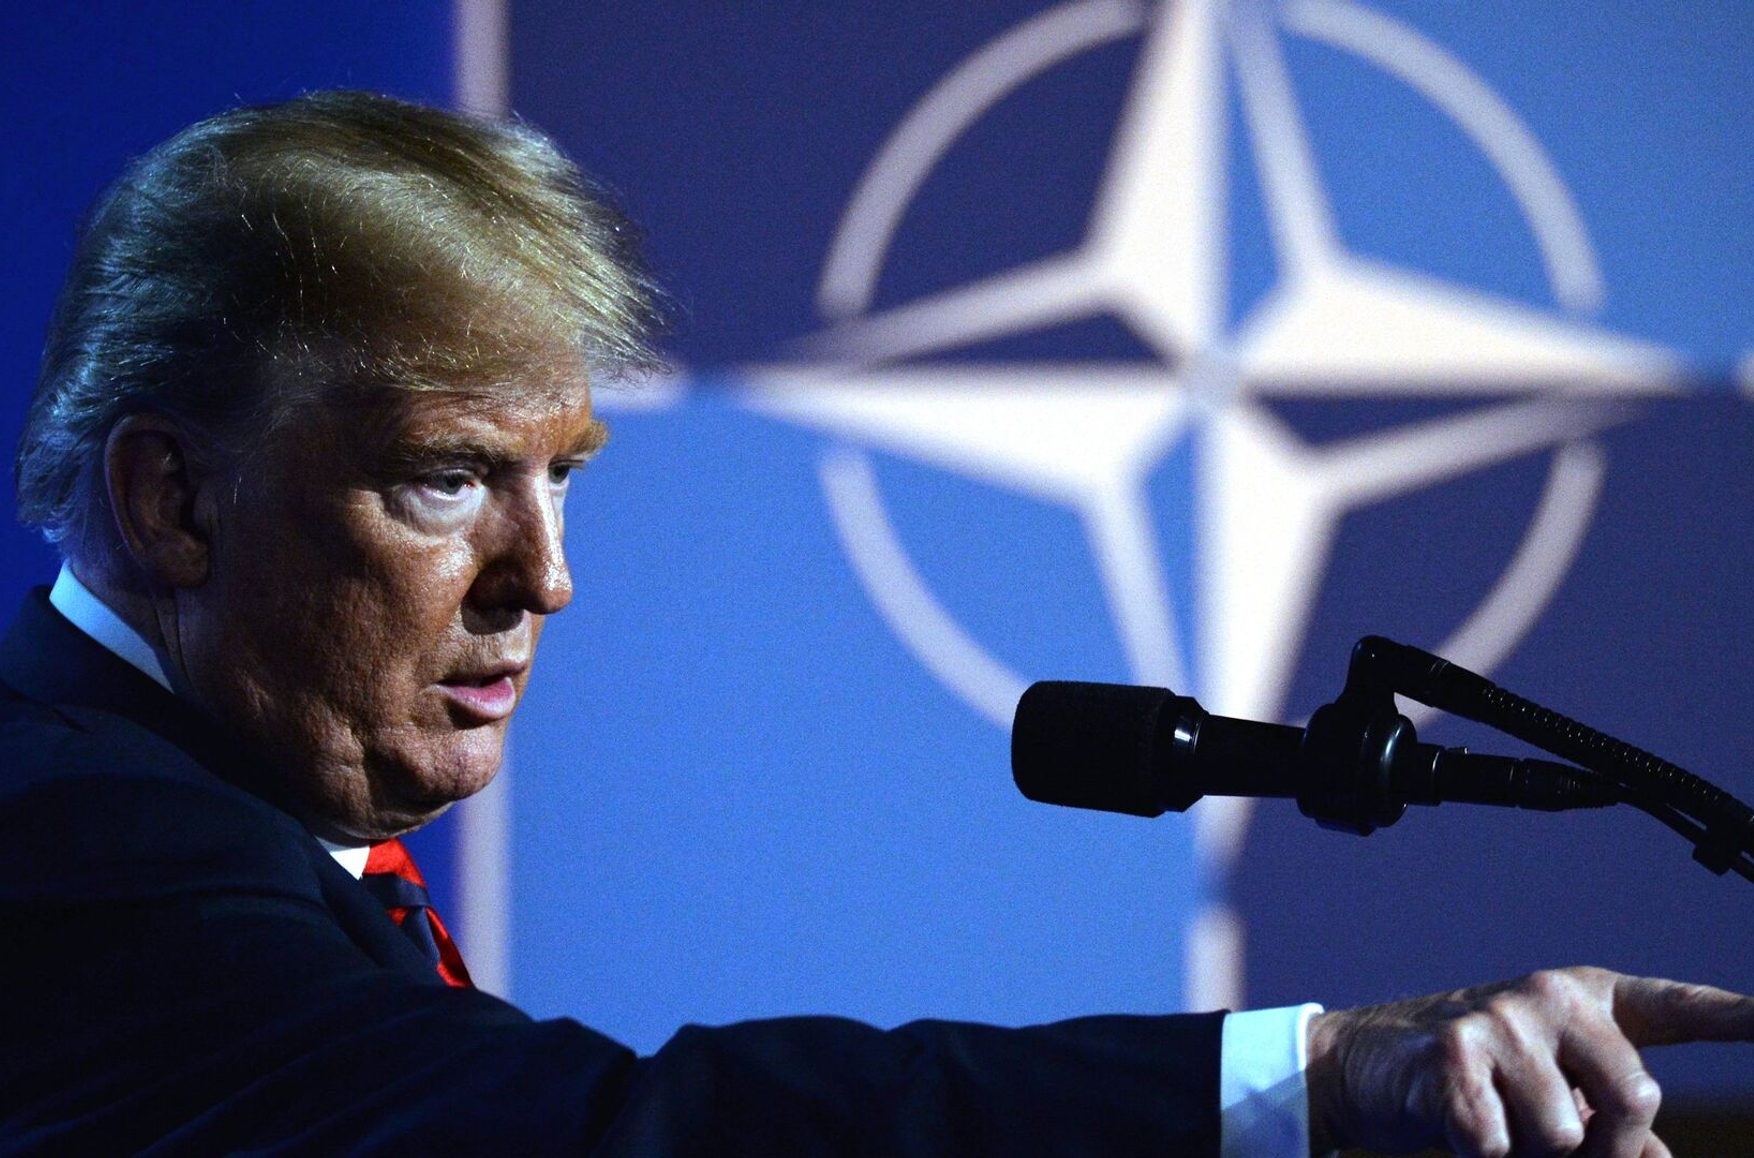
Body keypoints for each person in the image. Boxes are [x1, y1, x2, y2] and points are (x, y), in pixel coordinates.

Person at [0, 90, 1745, 1158]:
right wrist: (1316, 1076)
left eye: (565, 476)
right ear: (174, 500)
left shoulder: (218, 820)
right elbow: (595, 1138)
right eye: (447, 478)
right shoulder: (73, 832)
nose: (546, 577)